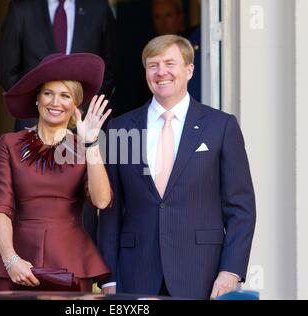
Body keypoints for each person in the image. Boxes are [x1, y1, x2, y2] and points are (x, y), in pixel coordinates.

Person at [98, 35, 256, 299]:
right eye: (153, 65)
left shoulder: (221, 126)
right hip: (135, 273)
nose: (161, 72)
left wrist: (230, 270)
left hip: (202, 273)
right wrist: (108, 278)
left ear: (189, 69)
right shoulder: (120, 128)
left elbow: (241, 207)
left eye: (170, 63)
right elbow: (110, 212)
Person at [0, 53, 112, 292]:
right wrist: (11, 259)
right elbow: (0, 209)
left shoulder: (86, 147)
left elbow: (101, 201)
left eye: (65, 95)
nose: (55, 102)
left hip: (71, 262)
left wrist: (90, 143)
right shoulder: (8, 144)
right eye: (48, 93)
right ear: (37, 98)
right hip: (15, 263)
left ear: (75, 105)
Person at [0, 0, 116, 131]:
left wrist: (86, 105)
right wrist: (38, 104)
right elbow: (7, 71)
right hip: (35, 122)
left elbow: (109, 69)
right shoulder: (22, 8)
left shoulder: (98, 7)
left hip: (85, 122)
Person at [151, 0, 201, 101]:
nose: (163, 23)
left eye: (168, 16)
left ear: (180, 16)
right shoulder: (150, 53)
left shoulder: (194, 43)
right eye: (157, 17)